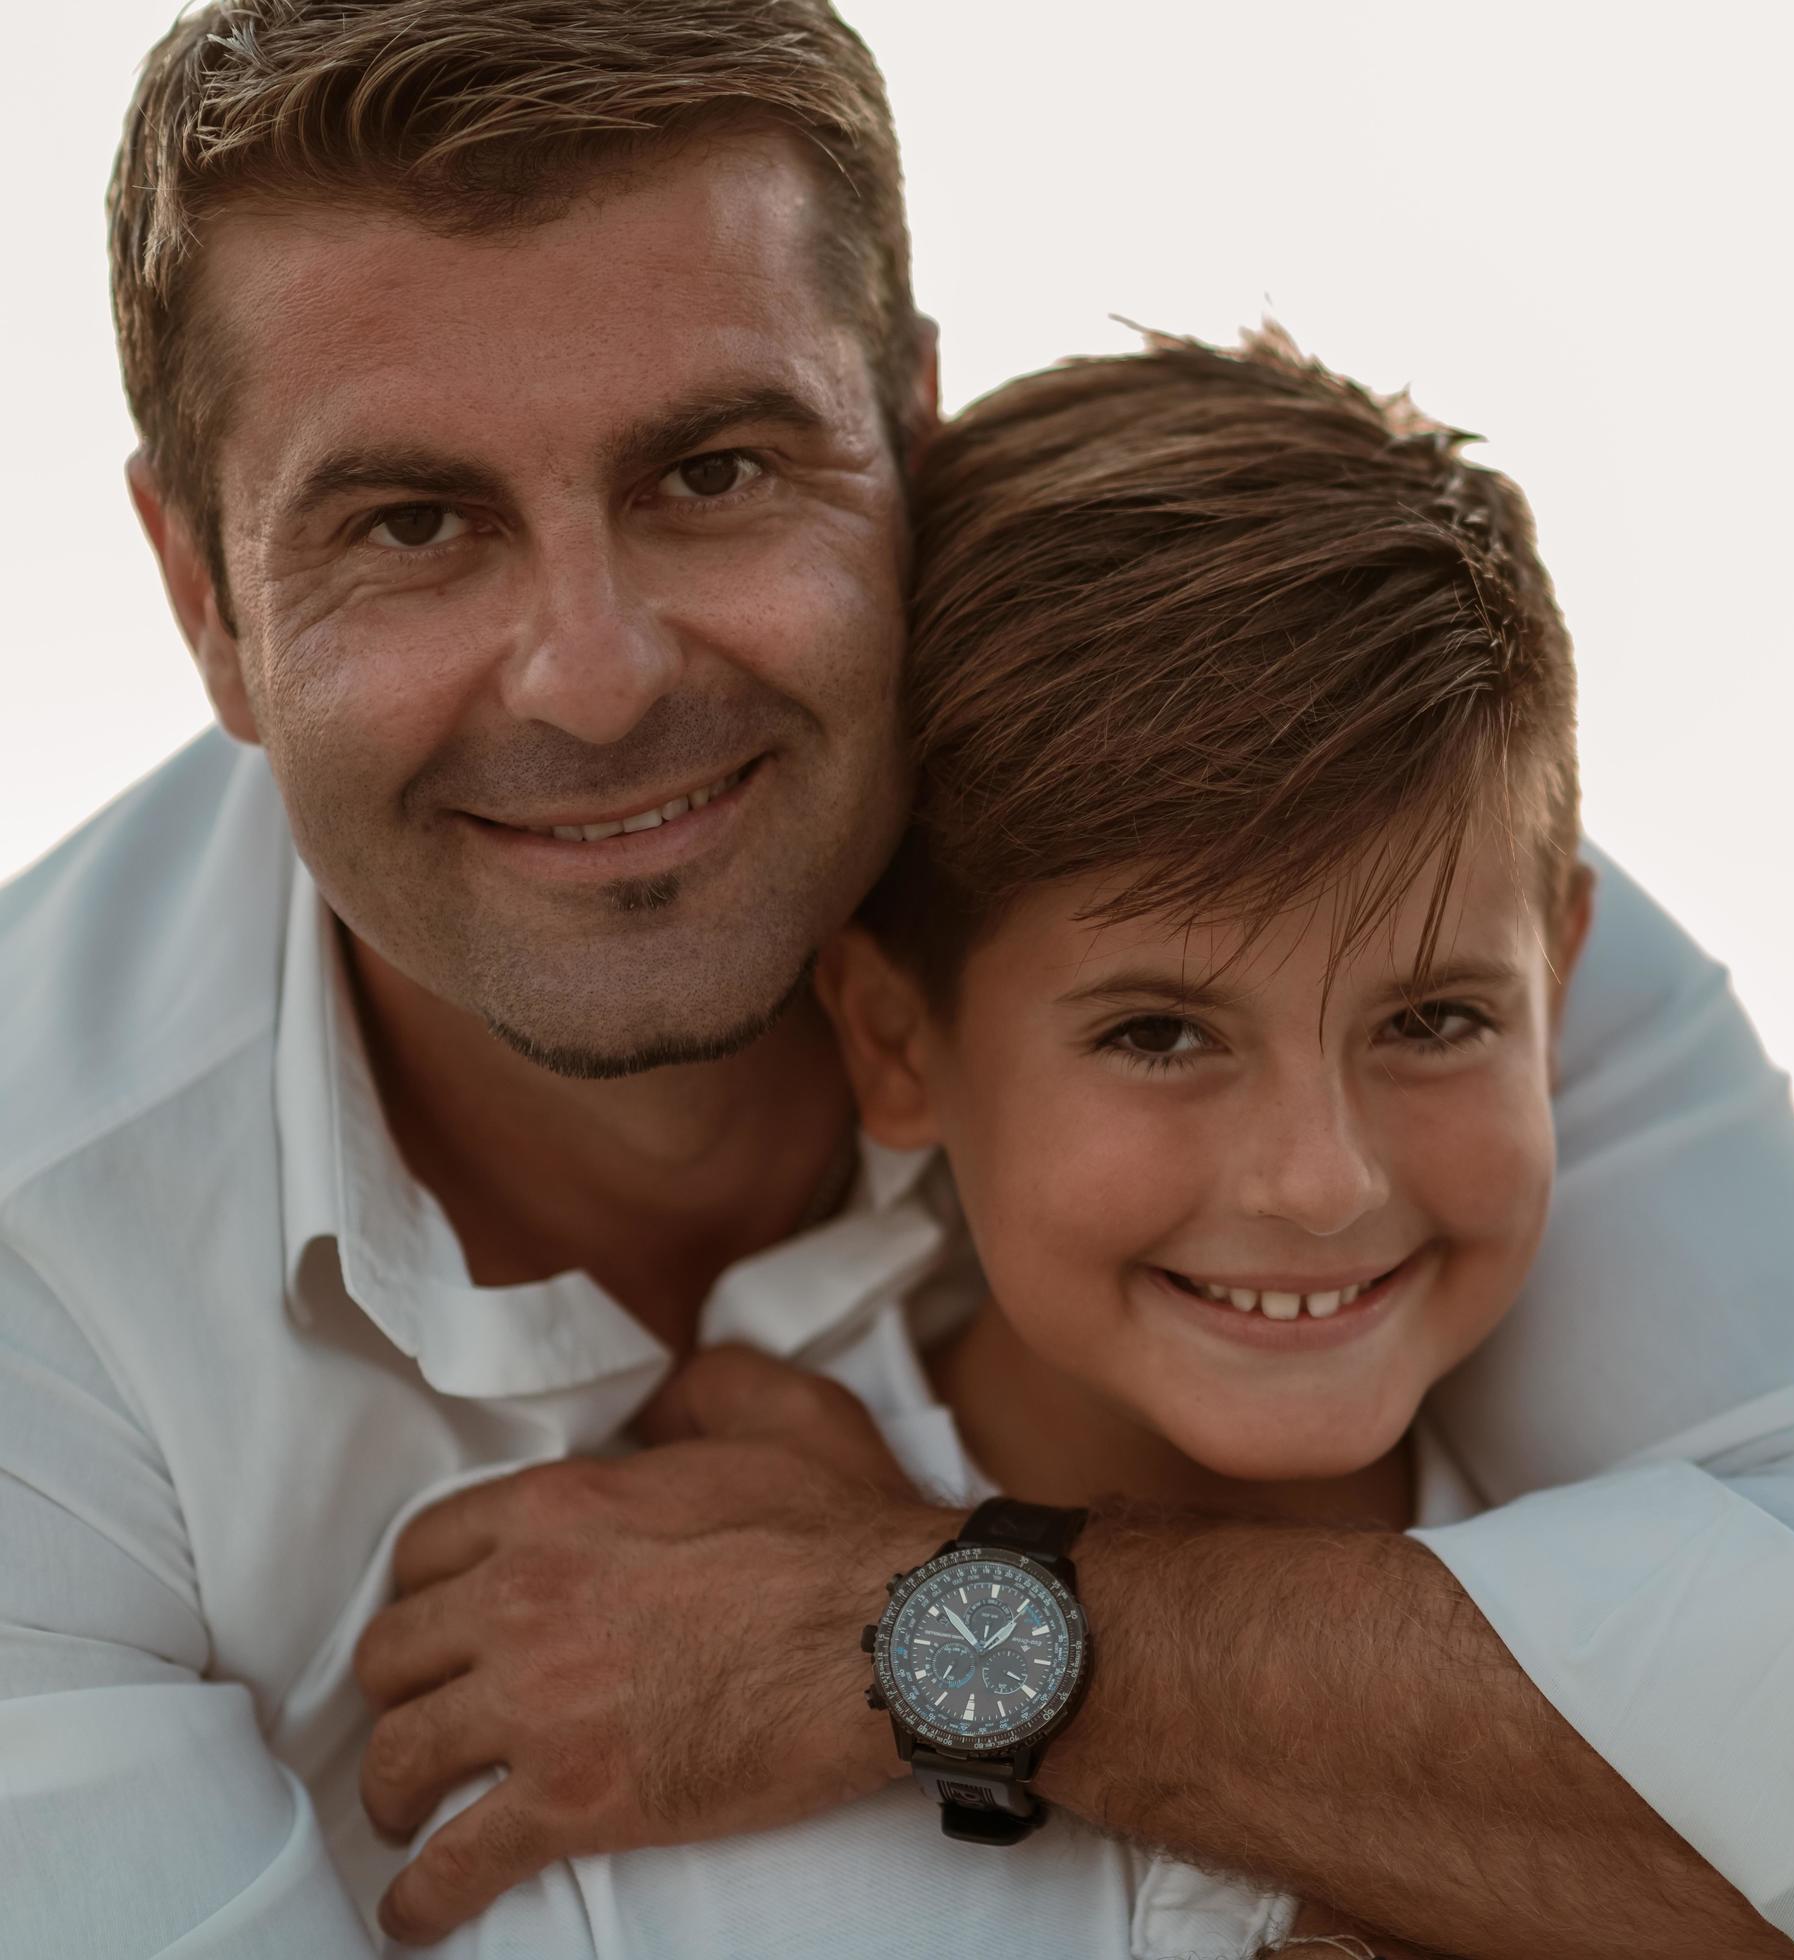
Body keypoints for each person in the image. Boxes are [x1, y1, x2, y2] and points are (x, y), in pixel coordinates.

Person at [0, 4, 1794, 1957]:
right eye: (410, 523)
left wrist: (915, 1627)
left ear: (915, 436)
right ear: (201, 589)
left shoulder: (1295, 875)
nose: (594, 677)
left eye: (719, 468)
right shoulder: (34, 1253)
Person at [405, 319, 1612, 1958]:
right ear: (899, 1044)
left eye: (1434, 1021)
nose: (1322, 1182)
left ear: (1568, 965)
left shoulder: (1712, 1602)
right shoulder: (622, 1757)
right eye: (1159, 1035)